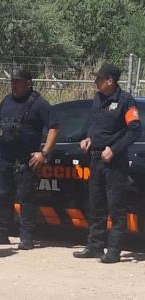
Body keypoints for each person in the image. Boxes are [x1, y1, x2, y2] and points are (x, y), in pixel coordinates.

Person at [0, 66, 59, 250]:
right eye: (12, 82)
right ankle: (1, 233)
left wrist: (44, 153)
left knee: (26, 199)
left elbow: (54, 127)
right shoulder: (6, 101)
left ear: (28, 83)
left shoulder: (39, 103)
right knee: (2, 196)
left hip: (26, 161)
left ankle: (26, 238)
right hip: (4, 158)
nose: (14, 85)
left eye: (17, 82)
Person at [73, 63, 142, 263]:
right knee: (96, 205)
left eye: (99, 78)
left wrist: (114, 149)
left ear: (110, 80)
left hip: (114, 162)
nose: (96, 81)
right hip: (95, 160)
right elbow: (93, 125)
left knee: (116, 208)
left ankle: (114, 250)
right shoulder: (98, 99)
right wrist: (87, 138)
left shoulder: (125, 101)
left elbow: (134, 130)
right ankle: (95, 246)